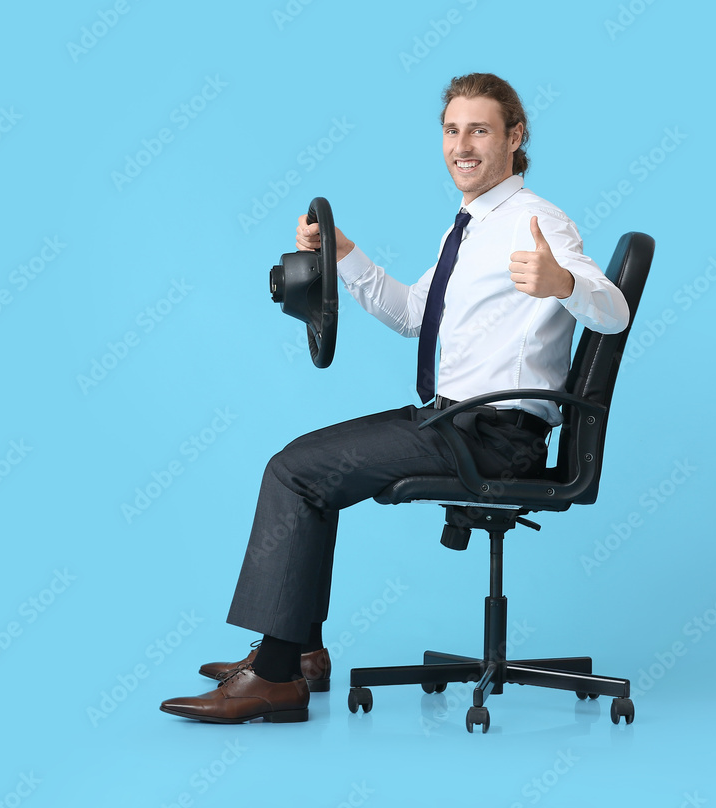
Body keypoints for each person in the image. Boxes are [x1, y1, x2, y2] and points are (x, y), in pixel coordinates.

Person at [159, 73, 629, 724]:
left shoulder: (538, 222)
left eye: (480, 130)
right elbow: (413, 313)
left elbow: (613, 309)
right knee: (310, 466)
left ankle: (273, 678)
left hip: (492, 435)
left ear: (515, 137)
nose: (462, 144)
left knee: (295, 470)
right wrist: (342, 252)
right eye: (452, 130)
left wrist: (561, 281)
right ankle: (295, 653)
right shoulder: (466, 228)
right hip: (455, 420)